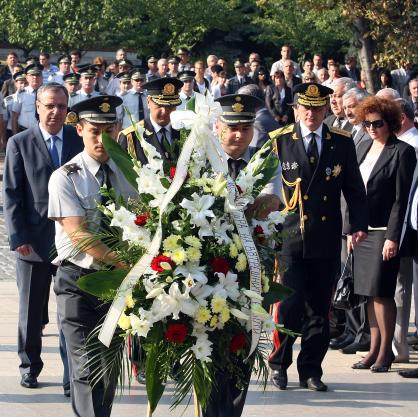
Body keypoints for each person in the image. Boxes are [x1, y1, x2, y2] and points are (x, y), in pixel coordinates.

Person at [269, 82, 368, 391]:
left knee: (319, 310)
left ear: (327, 109)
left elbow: (353, 187)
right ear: (296, 109)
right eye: (305, 108)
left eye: (317, 108)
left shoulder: (341, 141)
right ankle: (279, 364)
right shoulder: (280, 141)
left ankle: (311, 369)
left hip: (325, 238)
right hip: (291, 237)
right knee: (289, 306)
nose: (311, 113)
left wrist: (358, 224)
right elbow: (268, 190)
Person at [48, 95, 137, 416]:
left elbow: (144, 222)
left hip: (117, 287)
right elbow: (80, 234)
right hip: (79, 284)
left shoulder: (130, 174)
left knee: (108, 370)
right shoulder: (65, 177)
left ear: (119, 130)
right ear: (80, 130)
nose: (102, 139)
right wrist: (128, 263)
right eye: (94, 131)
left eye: (108, 131)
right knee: (85, 370)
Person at [202, 93, 279, 417]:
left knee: (239, 350)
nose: (238, 135)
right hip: (205, 271)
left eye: (245, 128)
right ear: (218, 126)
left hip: (249, 272)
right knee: (206, 351)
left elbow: (269, 204)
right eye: (232, 128)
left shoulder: (263, 163)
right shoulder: (202, 161)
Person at [3, 83, 83, 393]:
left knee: (71, 312)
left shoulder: (78, 142)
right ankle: (29, 365)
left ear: (68, 110)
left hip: (71, 241)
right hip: (32, 242)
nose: (55, 112)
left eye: (61, 107)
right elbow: (11, 194)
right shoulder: (19, 143)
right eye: (49, 105)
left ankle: (70, 375)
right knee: (31, 310)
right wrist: (17, 236)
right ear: (37, 106)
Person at [348, 96, 416, 372]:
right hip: (363, 232)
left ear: (390, 123)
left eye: (377, 123)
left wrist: (392, 236)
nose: (372, 128)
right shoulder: (364, 146)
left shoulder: (403, 151)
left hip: (384, 232)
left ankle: (386, 352)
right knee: (366, 292)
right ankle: (373, 349)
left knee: (382, 293)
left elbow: (402, 199)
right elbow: (353, 191)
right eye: (367, 123)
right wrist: (351, 229)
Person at [118, 77, 183, 163]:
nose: (164, 111)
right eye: (159, 105)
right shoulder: (131, 137)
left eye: (170, 106)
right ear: (148, 102)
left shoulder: (184, 133)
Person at [237, 84, 280, 148]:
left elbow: (254, 154)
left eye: (242, 104)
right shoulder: (270, 118)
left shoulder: (256, 124)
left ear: (249, 103)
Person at [11, 63, 43, 134]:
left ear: (42, 77)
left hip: (42, 132)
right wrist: (15, 135)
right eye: (32, 75)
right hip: (24, 131)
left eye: (37, 75)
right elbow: (14, 116)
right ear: (27, 78)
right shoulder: (21, 93)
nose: (35, 77)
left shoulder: (47, 92)